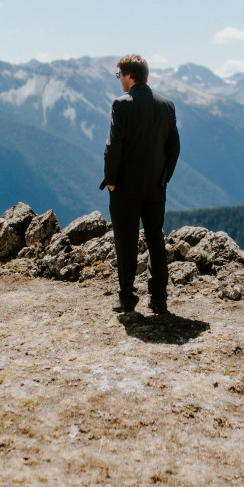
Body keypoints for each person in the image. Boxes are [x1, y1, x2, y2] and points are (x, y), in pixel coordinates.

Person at [101, 54, 180, 319]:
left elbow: (113, 147)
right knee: (155, 239)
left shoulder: (121, 105)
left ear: (130, 76)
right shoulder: (167, 105)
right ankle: (159, 299)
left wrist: (111, 181)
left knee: (126, 241)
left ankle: (127, 300)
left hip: (125, 187)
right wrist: (163, 178)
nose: (119, 79)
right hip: (155, 187)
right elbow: (173, 148)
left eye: (119, 75)